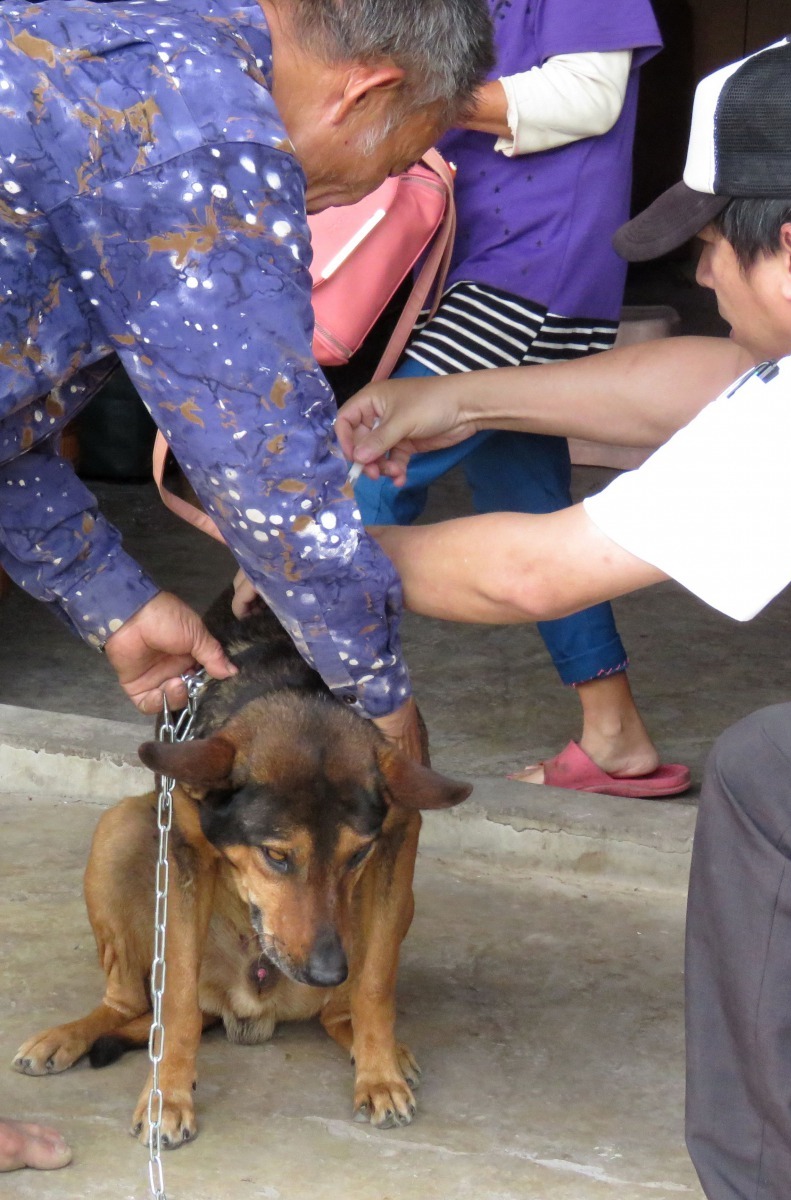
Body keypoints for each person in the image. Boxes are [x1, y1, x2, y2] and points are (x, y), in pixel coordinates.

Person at [332, 32, 791, 1198]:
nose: (702, 276)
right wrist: (455, 398)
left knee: (784, 774)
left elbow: (533, 576)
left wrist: (320, 553)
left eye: (711, 248)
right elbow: (721, 383)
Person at [0, 0, 494, 1173]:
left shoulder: (92, 33)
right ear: (366, 92)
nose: (342, 203)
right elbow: (265, 473)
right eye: (389, 162)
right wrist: (376, 692)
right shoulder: (208, 128)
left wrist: (112, 595)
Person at [353, 0, 692, 797]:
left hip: (531, 269)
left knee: (370, 467)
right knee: (529, 496)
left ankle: (297, 714)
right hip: (478, 259)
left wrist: (399, 94)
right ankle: (614, 733)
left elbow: (586, 97)